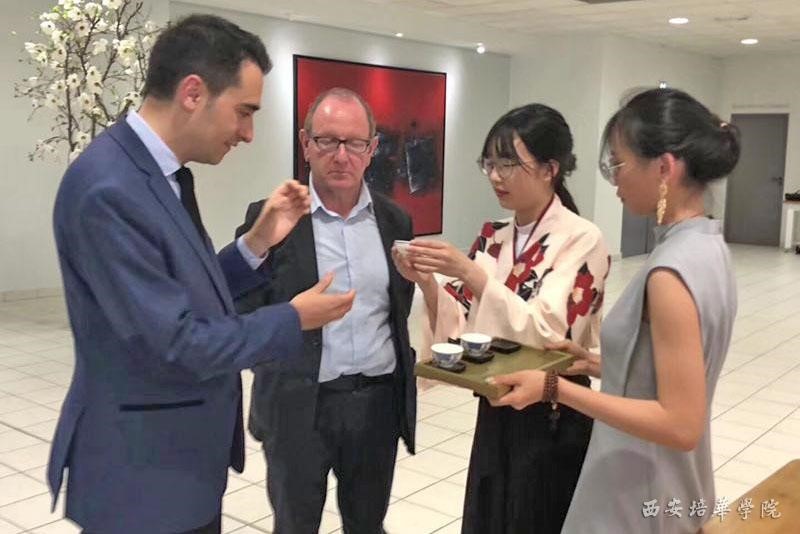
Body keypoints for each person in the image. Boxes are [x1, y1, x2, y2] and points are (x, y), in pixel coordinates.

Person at [48, 15, 354, 534]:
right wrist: (292, 318)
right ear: (193, 92)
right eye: (244, 112)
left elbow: (181, 293)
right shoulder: (110, 189)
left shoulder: (161, 176)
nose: (248, 134)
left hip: (177, 465)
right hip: (142, 476)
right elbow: (177, 343)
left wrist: (256, 243)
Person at [491, 88, 741, 533]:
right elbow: (672, 371)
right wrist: (594, 363)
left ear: (664, 169)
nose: (614, 182)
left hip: (638, 489)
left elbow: (680, 423)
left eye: (618, 165)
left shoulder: (669, 273)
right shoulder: (708, 247)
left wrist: (555, 389)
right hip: (676, 484)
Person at [395, 104, 609, 534]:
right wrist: (428, 283)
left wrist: (471, 272)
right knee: (489, 517)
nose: (495, 176)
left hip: (555, 408)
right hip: (497, 405)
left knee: (538, 518)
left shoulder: (582, 238)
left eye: (508, 164)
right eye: (489, 164)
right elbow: (462, 319)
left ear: (549, 169)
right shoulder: (495, 235)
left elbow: (551, 335)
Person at [234, 87, 416, 534]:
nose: (341, 155)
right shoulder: (272, 218)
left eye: (354, 143)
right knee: (295, 525)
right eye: (327, 140)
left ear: (372, 149)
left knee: (368, 525)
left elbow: (397, 309)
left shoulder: (395, 221)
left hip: (376, 405)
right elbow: (240, 313)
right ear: (305, 143)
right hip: (299, 406)